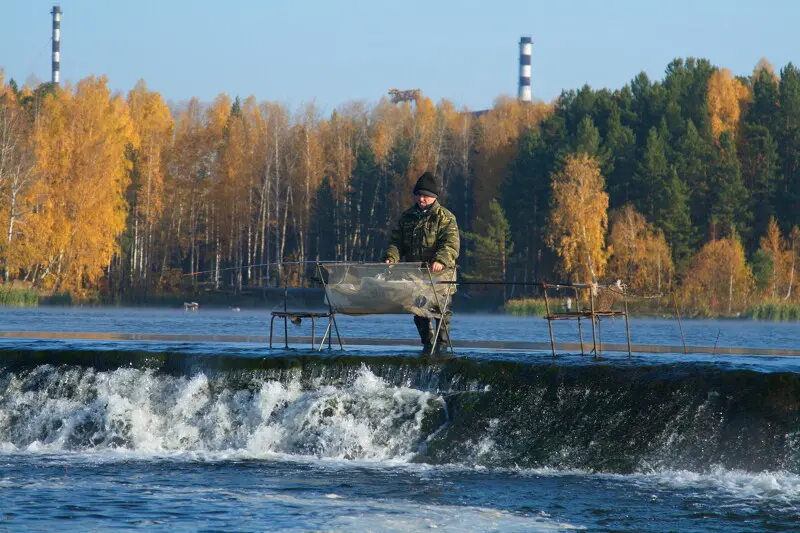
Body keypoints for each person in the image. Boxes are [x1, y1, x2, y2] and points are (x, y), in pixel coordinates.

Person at [382, 171, 460, 354]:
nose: (421, 199)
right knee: (419, 313)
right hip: (415, 275)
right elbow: (396, 241)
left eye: (425, 195)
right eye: (418, 195)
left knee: (441, 312)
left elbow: (451, 244)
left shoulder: (446, 218)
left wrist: (440, 260)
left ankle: (441, 347)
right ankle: (427, 345)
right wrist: (391, 257)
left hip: (442, 276)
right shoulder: (406, 217)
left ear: (433, 197)